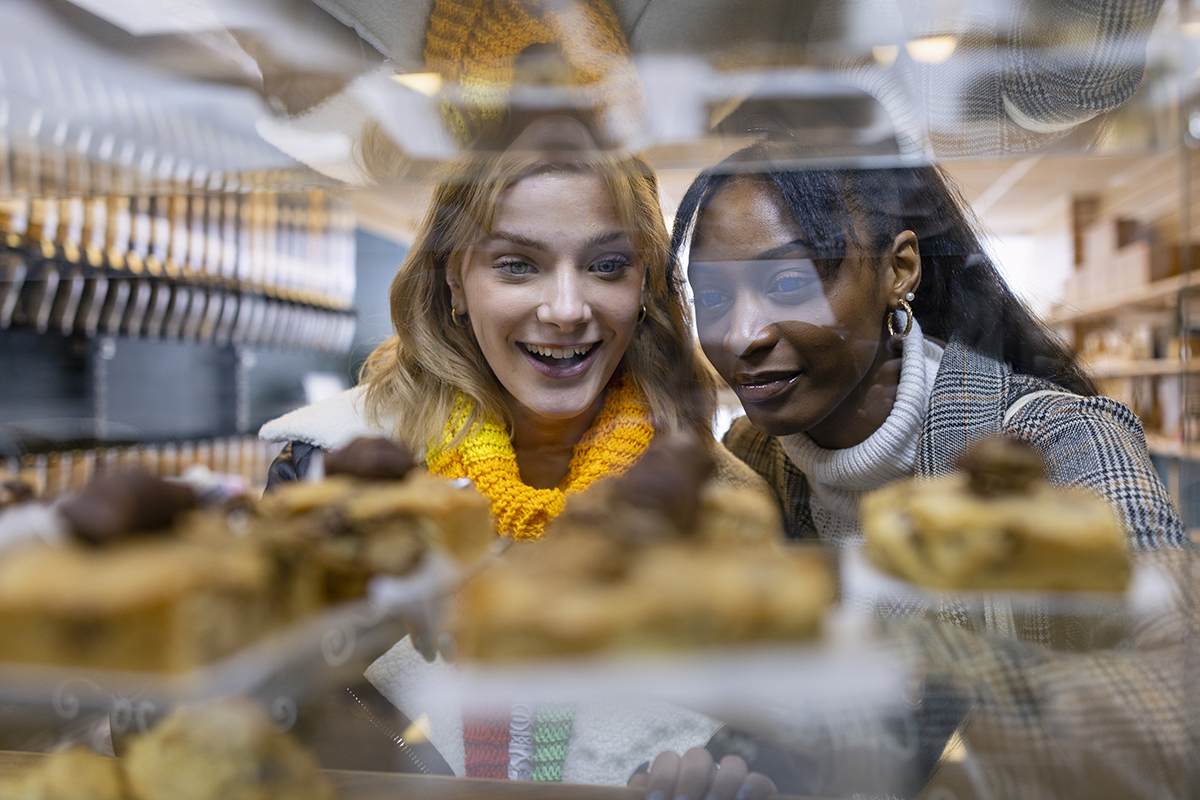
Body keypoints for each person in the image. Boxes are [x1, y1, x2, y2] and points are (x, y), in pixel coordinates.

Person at [260, 137, 777, 797]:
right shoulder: (330, 473)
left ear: (643, 284)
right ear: (455, 282)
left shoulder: (719, 505)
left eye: (607, 264)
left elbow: (782, 727)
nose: (566, 310)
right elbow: (258, 716)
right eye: (516, 265)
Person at [672, 139, 1185, 550]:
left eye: (788, 284)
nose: (740, 335)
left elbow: (1168, 653)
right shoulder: (747, 454)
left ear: (898, 271)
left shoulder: (1063, 444)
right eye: (712, 295)